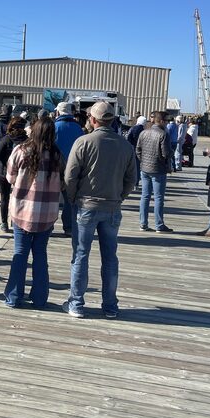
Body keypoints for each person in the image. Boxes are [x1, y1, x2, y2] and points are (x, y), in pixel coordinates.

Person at [64, 101, 136, 319]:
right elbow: (131, 180)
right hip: (112, 206)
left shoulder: (83, 142)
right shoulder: (125, 145)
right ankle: (110, 305)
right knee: (110, 258)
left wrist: (73, 198)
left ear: (93, 119)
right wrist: (119, 197)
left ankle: (76, 303)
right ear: (112, 120)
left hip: (86, 205)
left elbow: (70, 176)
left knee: (80, 255)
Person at [3, 117, 63, 309]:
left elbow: (10, 177)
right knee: (40, 254)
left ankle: (14, 297)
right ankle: (39, 298)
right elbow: (63, 181)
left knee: (20, 253)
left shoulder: (20, 150)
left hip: (22, 211)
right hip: (47, 213)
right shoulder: (57, 155)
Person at [136, 111, 173, 232]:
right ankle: (159, 225)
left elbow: (138, 150)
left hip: (144, 168)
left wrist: (142, 161)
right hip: (158, 169)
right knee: (158, 198)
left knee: (145, 196)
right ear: (161, 121)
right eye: (166, 121)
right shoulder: (163, 134)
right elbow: (166, 153)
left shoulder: (143, 132)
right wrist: (171, 153)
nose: (167, 123)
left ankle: (143, 223)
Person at [54, 102, 84, 236]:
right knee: (69, 200)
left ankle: (49, 226)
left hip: (54, 168)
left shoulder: (54, 127)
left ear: (58, 112)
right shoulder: (78, 128)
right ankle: (68, 227)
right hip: (73, 169)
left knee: (52, 198)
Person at [0, 116, 27, 234]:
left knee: (4, 198)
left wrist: (7, 159)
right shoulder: (27, 141)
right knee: (21, 198)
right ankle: (17, 221)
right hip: (21, 174)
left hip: (4, 172)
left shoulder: (7, 139)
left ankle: (4, 223)